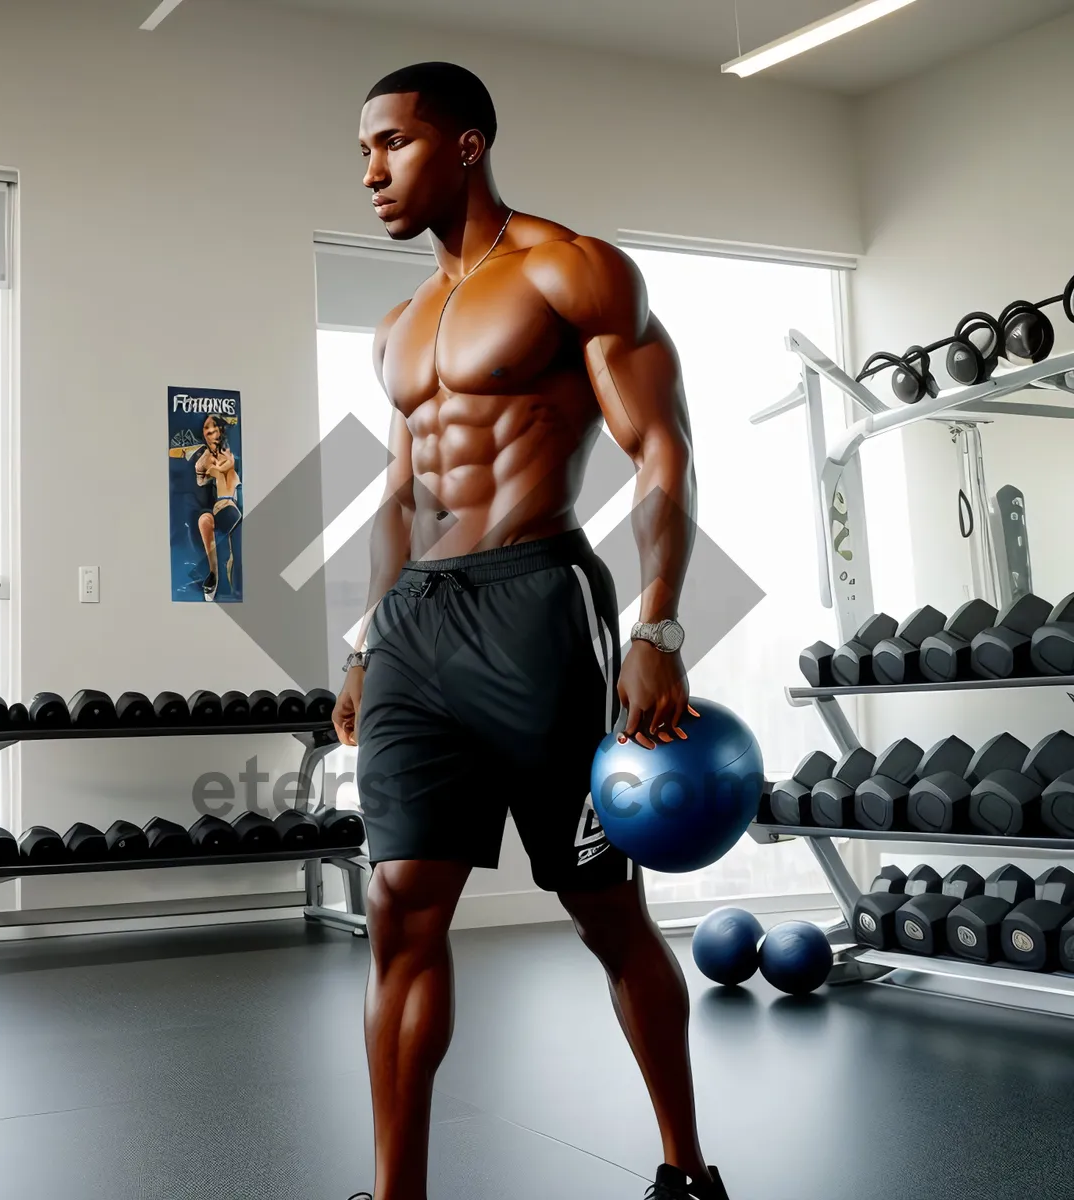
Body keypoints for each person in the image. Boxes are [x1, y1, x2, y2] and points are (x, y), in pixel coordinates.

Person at [332, 62, 725, 1200]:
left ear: (462, 145)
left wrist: (659, 622)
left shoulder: (573, 271)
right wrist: (364, 641)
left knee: (606, 910)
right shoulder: (396, 328)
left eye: (391, 145)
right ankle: (395, 1193)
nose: (371, 173)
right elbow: (401, 498)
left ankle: (685, 1168)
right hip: (416, 627)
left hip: (541, 609)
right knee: (398, 907)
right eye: (363, 151)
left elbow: (662, 450)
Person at [194, 413, 242, 601]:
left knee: (233, 556)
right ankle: (213, 575)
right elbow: (200, 482)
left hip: (234, 507)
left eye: (214, 426)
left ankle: (224, 581)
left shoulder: (229, 454)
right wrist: (205, 472)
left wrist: (213, 469)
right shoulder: (204, 460)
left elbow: (226, 465)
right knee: (205, 520)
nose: (210, 430)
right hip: (220, 507)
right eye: (206, 427)